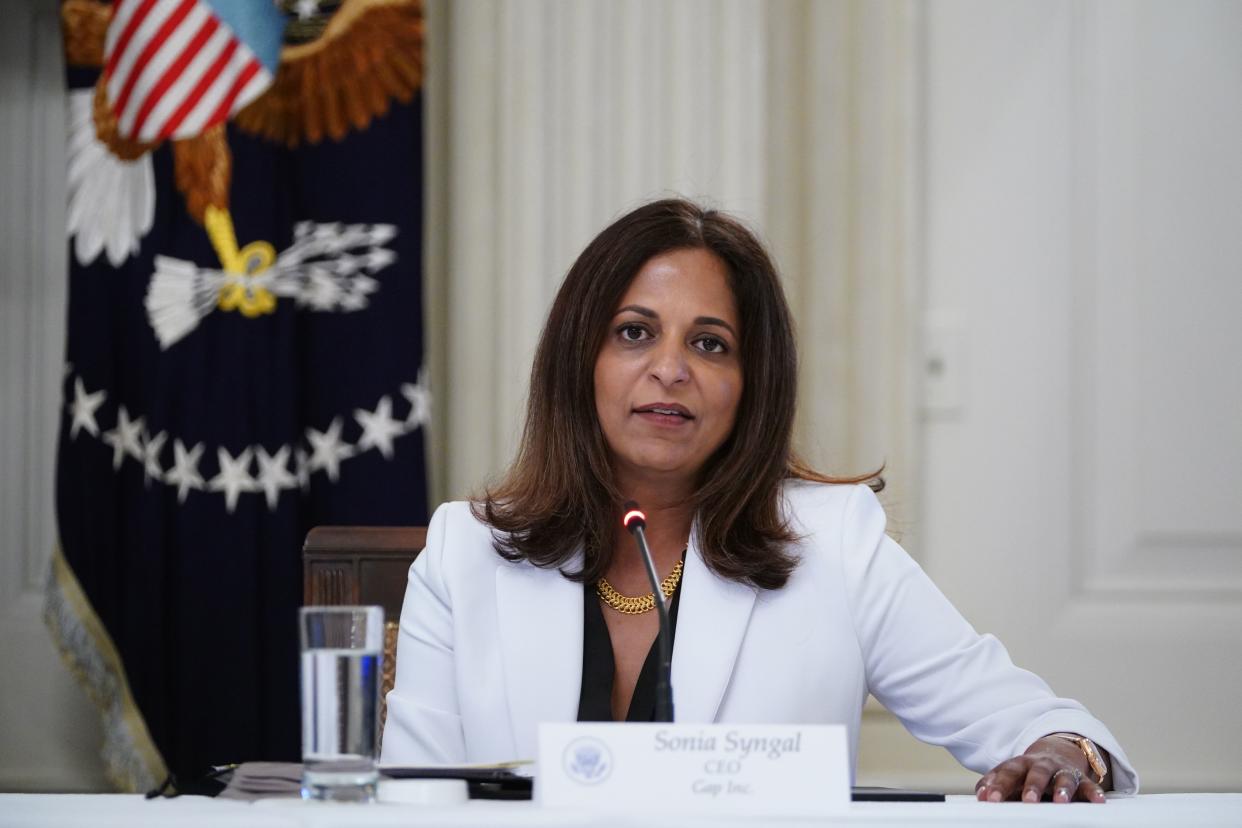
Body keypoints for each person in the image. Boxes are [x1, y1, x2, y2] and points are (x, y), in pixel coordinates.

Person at [381, 198, 1138, 802]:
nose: (671, 369)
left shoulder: (833, 543)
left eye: (710, 344)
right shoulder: (464, 552)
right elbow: (413, 804)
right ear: (579, 362)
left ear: (752, 386)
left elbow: (1037, 723)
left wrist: (1059, 751)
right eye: (635, 332)